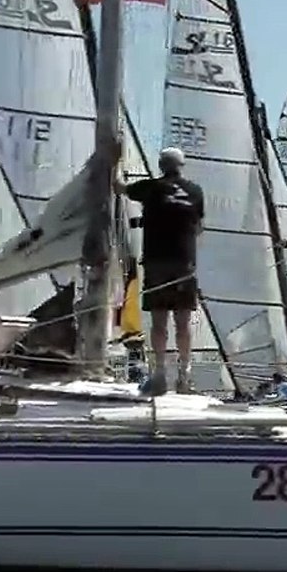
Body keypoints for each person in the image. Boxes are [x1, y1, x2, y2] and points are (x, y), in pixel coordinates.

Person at [114, 147, 204, 395]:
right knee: (183, 322)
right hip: (184, 264)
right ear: (181, 165)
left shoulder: (149, 188)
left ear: (161, 165)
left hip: (156, 263)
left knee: (159, 321)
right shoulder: (195, 191)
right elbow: (199, 227)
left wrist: (114, 160)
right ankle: (185, 375)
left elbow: (119, 187)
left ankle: (160, 374)